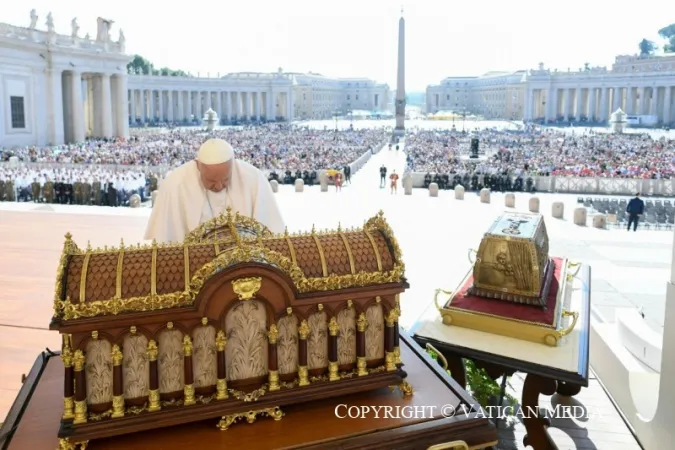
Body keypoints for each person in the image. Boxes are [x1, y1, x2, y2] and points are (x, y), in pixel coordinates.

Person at [145, 138, 285, 243]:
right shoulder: (175, 184)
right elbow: (167, 241)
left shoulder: (253, 178)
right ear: (198, 166)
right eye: (211, 181)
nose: (218, 186)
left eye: (225, 180)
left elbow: (271, 234)